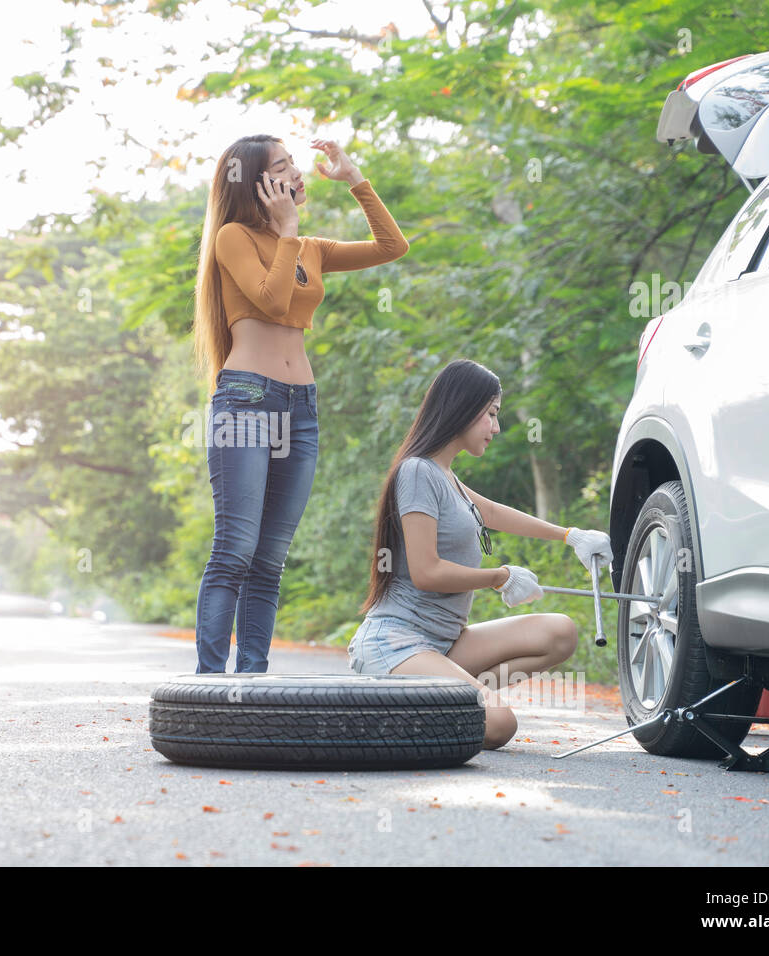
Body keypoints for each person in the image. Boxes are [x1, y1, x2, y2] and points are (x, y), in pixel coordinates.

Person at [191, 134, 409, 673]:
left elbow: (392, 246)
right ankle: (209, 685)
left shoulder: (311, 247)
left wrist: (355, 179)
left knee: (268, 561)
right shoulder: (232, 238)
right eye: (284, 167)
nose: (298, 174)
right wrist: (287, 228)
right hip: (245, 401)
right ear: (258, 184)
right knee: (235, 550)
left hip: (300, 408)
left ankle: (252, 680)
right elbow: (270, 298)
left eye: (294, 164)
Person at [348, 359, 614, 749]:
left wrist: (571, 536)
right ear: (462, 408)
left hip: (445, 644)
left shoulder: (445, 476)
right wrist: (499, 576)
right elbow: (426, 572)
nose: (496, 427)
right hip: (396, 644)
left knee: (560, 633)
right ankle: (395, 708)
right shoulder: (417, 472)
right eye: (491, 414)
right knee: (499, 725)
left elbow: (491, 513)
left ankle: (447, 697)